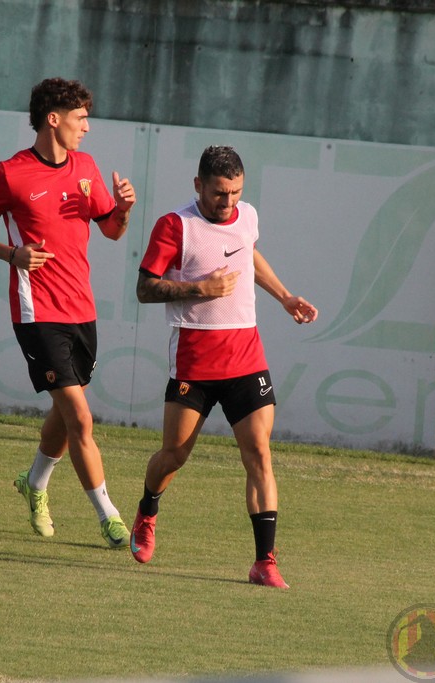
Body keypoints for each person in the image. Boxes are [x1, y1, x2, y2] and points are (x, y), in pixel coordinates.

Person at [0, 77, 136, 549]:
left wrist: (123, 209)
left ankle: (34, 483)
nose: (87, 127)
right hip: (37, 312)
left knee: (65, 412)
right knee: (80, 418)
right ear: (53, 119)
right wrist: (11, 254)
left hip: (82, 309)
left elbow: (112, 231)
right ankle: (110, 517)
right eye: (81, 118)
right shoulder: (10, 174)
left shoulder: (86, 166)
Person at [130, 145, 318, 588]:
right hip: (194, 361)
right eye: (218, 193)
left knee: (259, 454)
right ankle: (147, 510)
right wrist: (200, 288)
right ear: (198, 185)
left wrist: (285, 296)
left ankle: (264, 562)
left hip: (246, 356)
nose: (228, 201)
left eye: (235, 192)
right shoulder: (175, 226)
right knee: (174, 454)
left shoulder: (247, 215)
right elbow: (144, 289)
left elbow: (248, 253)